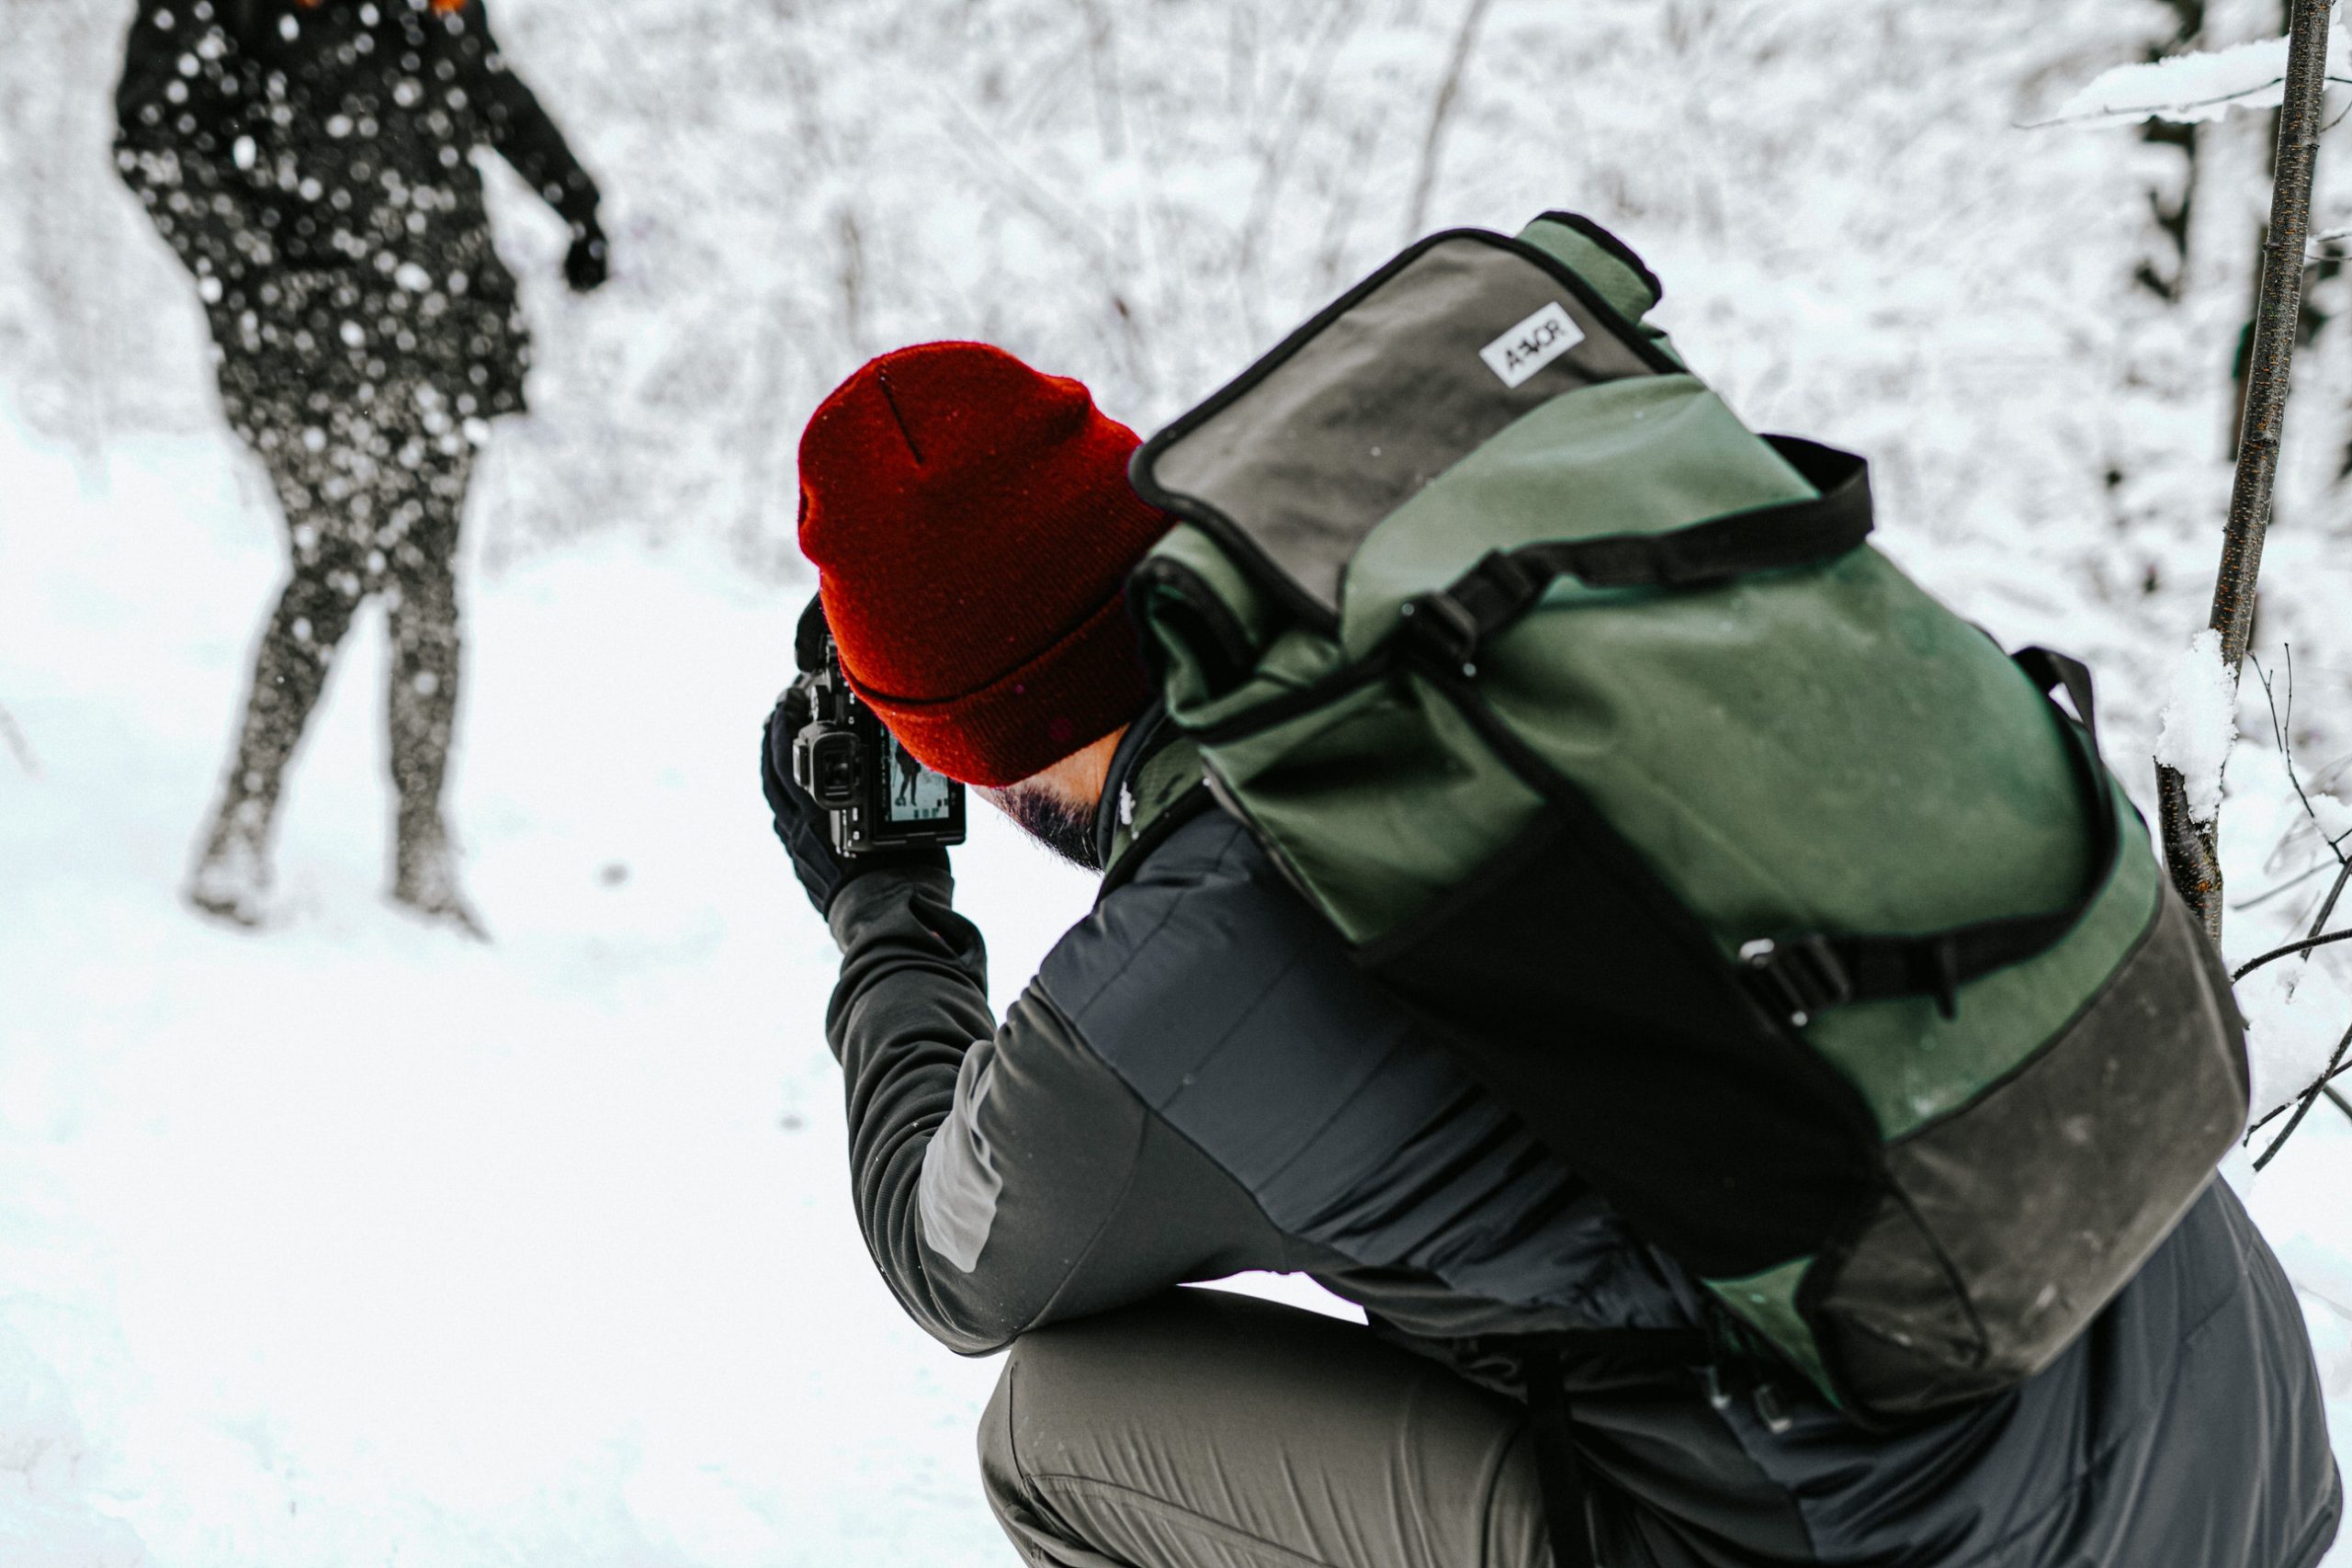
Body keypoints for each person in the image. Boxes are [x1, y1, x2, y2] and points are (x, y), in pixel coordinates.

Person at [760, 341, 2341, 1568]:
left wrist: (885, 892)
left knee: (1057, 1424)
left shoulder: (1173, 980)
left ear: (966, 743)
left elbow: (952, 1252)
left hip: (1914, 1545)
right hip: (2241, 1437)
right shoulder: (1515, 611)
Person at [114, 0, 608, 934]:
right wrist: (255, 272)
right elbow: (153, 142)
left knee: (428, 580)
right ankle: (241, 824)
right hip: (301, 340)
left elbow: (486, 86)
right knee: (336, 559)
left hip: (443, 321)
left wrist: (575, 198)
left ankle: (423, 847)